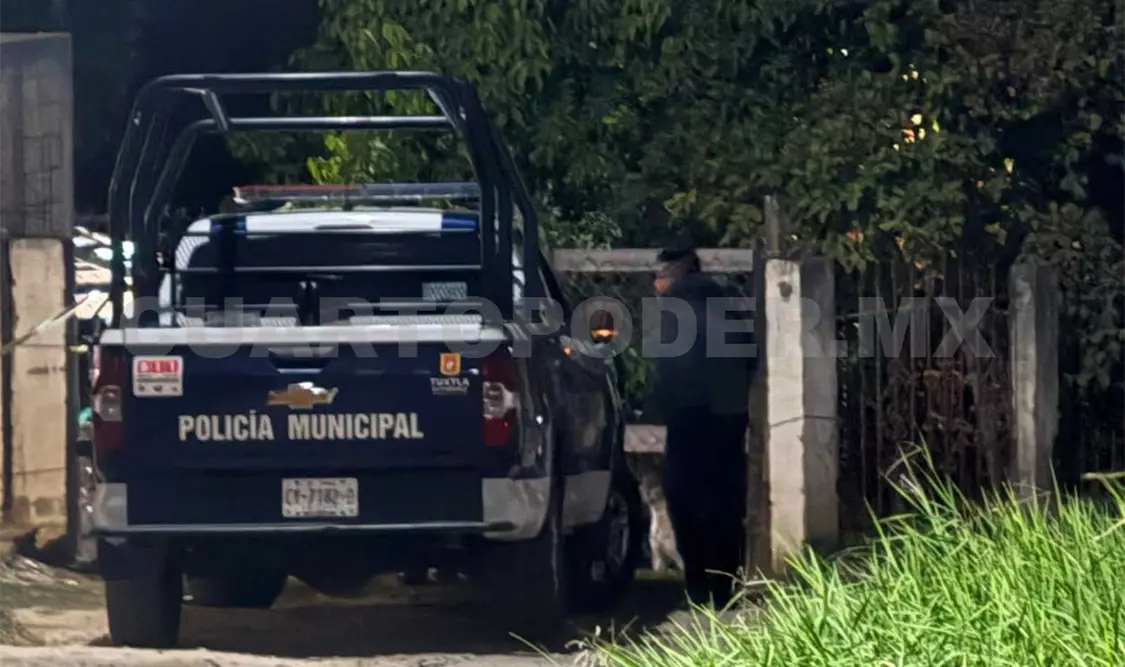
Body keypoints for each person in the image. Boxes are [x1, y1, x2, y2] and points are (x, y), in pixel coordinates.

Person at [651, 246, 756, 608]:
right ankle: (726, 585)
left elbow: (663, 363)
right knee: (726, 498)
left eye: (661, 272)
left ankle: (697, 586)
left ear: (675, 270)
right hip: (728, 412)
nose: (657, 281)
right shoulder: (729, 299)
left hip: (687, 412)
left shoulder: (672, 306)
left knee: (684, 496)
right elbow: (750, 353)